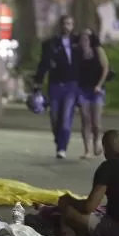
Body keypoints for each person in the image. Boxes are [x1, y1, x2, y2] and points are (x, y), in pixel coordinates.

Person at [34, 15, 80, 159]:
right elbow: (44, 64)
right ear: (60, 25)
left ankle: (62, 147)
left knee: (66, 117)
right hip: (55, 86)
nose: (67, 26)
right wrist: (38, 83)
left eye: (70, 23)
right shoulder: (51, 44)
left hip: (71, 86)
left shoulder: (78, 43)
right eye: (65, 23)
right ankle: (58, 138)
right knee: (54, 117)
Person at [77, 29, 110, 159]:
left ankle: (97, 141)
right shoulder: (78, 53)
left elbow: (105, 68)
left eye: (86, 38)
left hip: (97, 90)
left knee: (96, 122)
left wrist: (99, 85)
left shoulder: (98, 51)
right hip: (82, 90)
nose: (84, 41)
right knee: (85, 120)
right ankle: (87, 150)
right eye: (82, 38)